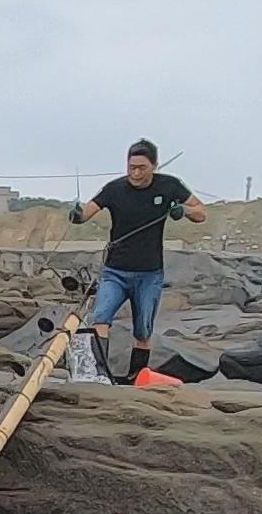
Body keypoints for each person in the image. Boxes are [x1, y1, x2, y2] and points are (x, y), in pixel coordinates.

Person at [69, 138, 206, 381]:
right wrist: (77, 215)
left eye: (141, 167)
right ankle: (99, 374)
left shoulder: (170, 186)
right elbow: (86, 213)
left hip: (149, 273)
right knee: (101, 318)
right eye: (131, 166)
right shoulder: (114, 189)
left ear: (154, 165)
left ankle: (136, 376)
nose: (135, 172)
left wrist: (183, 211)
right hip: (115, 271)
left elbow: (201, 212)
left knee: (143, 330)